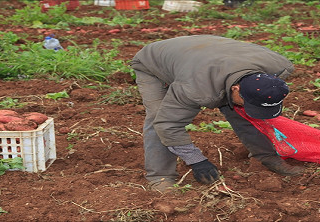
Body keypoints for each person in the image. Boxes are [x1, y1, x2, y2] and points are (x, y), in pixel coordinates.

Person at [130, 35, 305, 192]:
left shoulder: (279, 67)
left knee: (241, 110)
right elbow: (168, 124)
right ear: (235, 89)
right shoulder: (198, 89)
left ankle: (266, 156)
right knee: (159, 117)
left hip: (204, 54)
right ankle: (160, 177)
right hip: (154, 62)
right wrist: (196, 160)